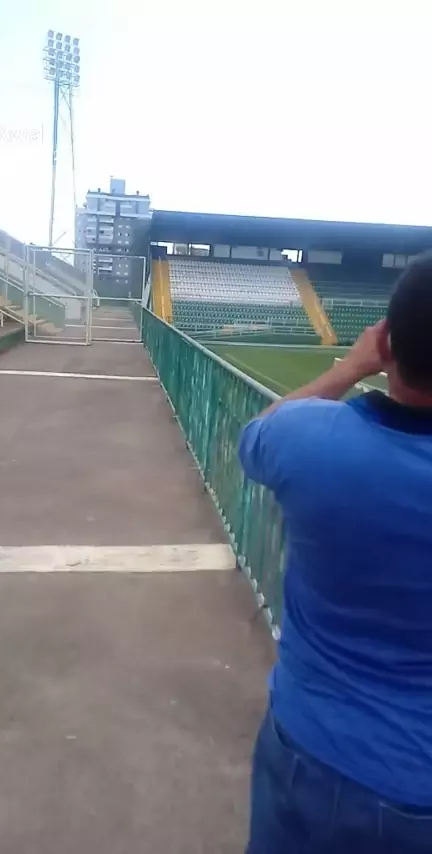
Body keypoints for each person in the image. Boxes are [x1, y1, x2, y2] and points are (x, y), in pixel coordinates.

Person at [239, 253, 432, 853]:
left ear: (387, 342)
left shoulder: (307, 440)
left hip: (302, 747)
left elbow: (257, 436)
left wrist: (350, 367)